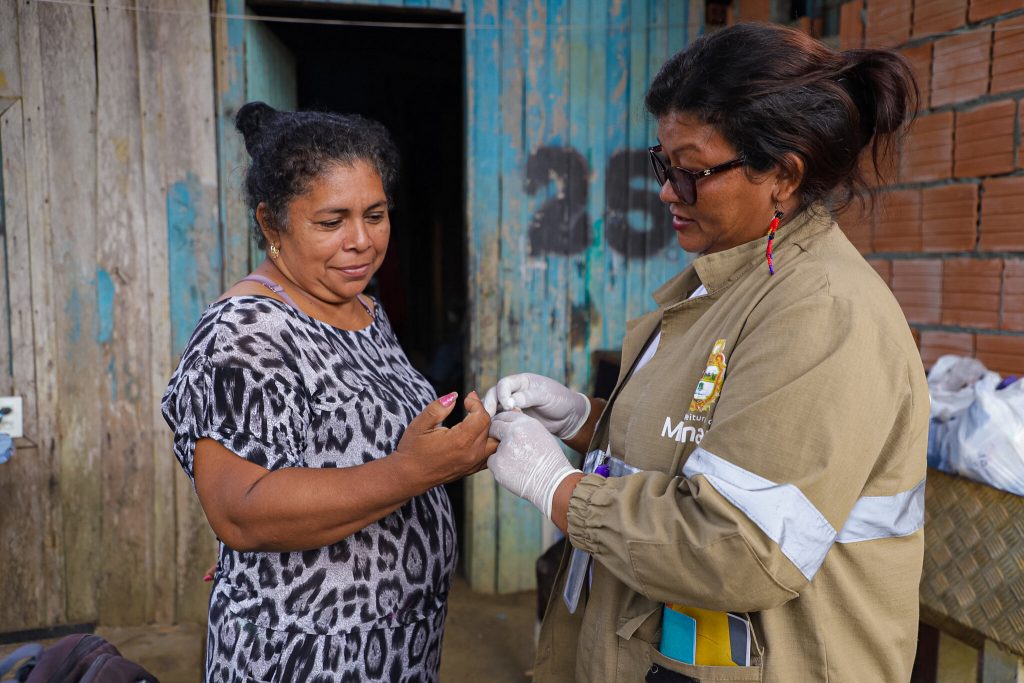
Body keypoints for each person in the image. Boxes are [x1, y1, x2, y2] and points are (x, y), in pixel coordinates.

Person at [485, 23, 927, 682]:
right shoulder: (728, 280)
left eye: (691, 172)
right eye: (662, 165)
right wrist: (585, 421)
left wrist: (561, 490)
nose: (667, 191)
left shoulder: (821, 313)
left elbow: (737, 546)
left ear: (784, 173)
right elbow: (709, 441)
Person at [162, 102, 494, 681]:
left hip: (394, 651)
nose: (362, 241)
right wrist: (411, 473)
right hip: (301, 657)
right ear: (272, 225)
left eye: (376, 214)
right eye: (331, 221)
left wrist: (452, 449)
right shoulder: (247, 334)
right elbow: (241, 514)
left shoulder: (363, 307)